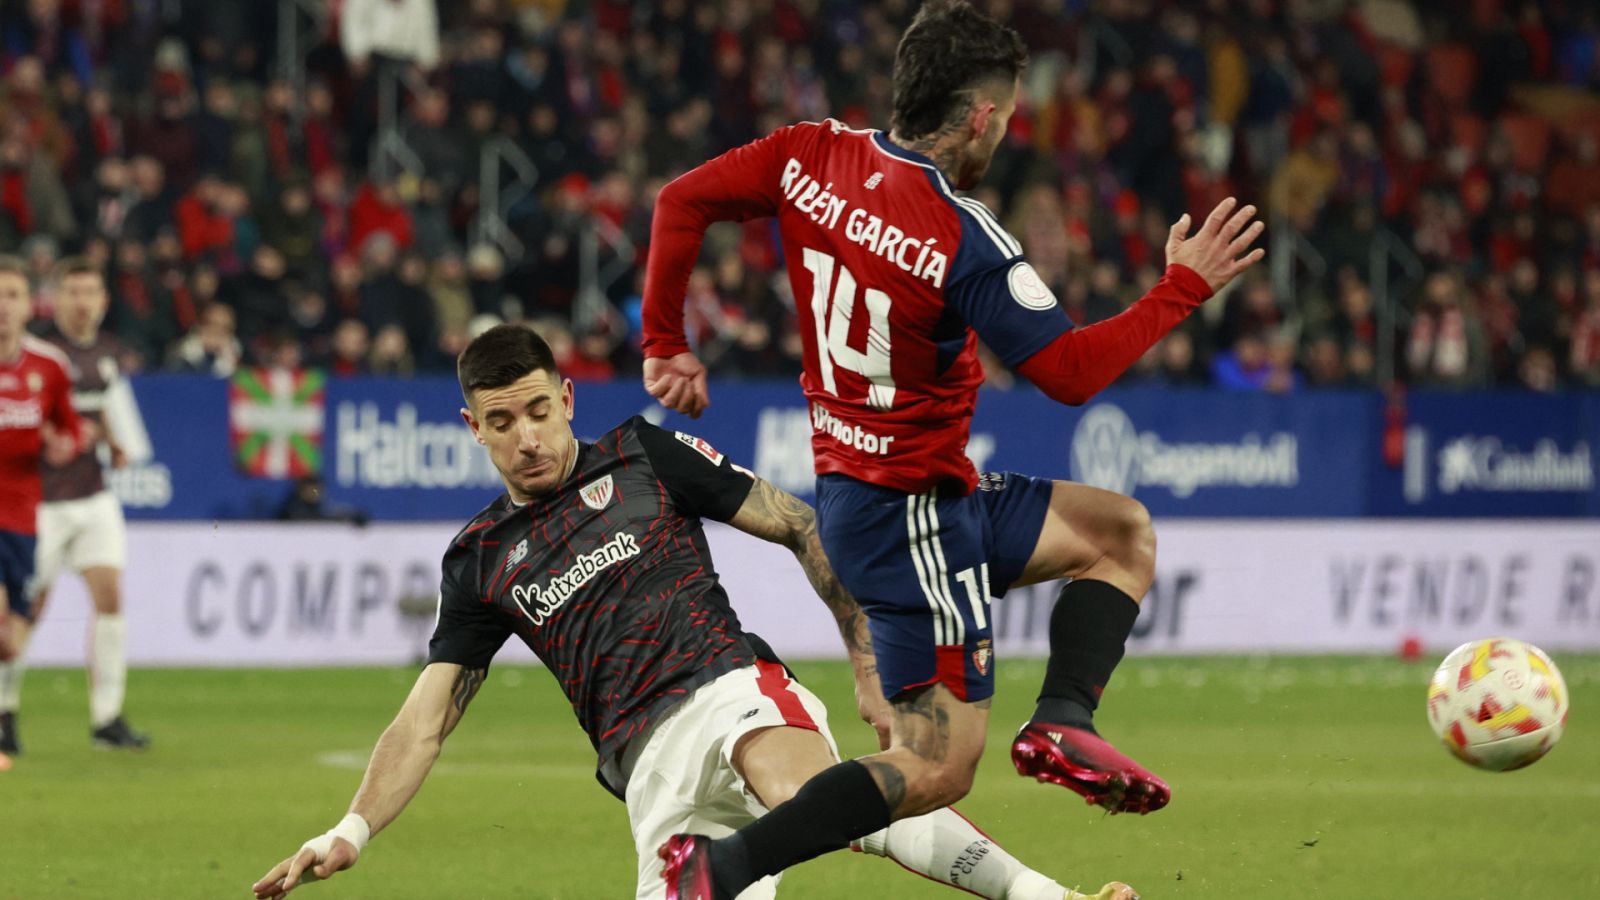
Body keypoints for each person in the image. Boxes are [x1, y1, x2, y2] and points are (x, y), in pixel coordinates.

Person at [638, 3, 1264, 896]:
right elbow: (1073, 372)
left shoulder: (809, 154)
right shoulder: (960, 235)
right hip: (911, 518)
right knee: (935, 766)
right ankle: (719, 869)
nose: (1004, 134)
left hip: (897, 492)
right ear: (980, 116)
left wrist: (665, 341)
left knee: (1119, 533)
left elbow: (679, 200)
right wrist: (1182, 289)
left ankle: (1061, 720)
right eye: (1006, 117)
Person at [252, 325, 1137, 900]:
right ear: (472, 428)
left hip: (729, 689)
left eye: (536, 409)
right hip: (646, 776)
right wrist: (350, 830)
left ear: (566, 399)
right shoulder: (480, 559)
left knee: (795, 786)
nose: (526, 437)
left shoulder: (643, 453)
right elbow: (425, 721)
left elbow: (799, 526)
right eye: (500, 421)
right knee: (818, 814)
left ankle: (1045, 899)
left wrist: (867, 659)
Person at [1, 258, 150, 754]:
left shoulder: (109, 355)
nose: (82, 302)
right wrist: (58, 436)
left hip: (93, 496)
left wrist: (111, 440)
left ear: (104, 300)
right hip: (39, 503)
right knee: (27, 609)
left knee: (110, 597)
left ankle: (107, 717)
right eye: (73, 292)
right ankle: (6, 709)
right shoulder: (42, 353)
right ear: (55, 299)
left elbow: (121, 437)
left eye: (91, 292)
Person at [0, 255, 82, 757]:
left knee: (11, 640)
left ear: (30, 305)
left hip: (25, 515)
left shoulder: (49, 366)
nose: (2, 307)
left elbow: (68, 427)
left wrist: (64, 445)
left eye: (12, 295)